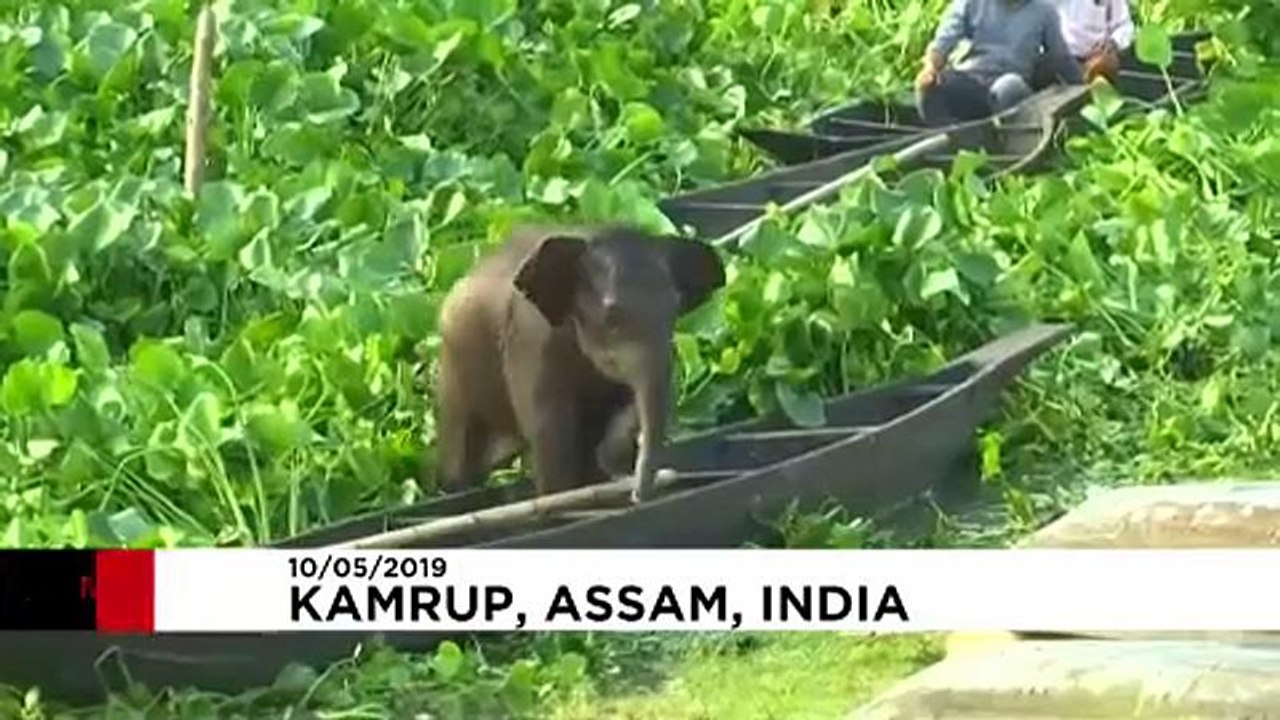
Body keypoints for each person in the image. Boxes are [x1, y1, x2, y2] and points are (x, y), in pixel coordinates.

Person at [916, 0, 1085, 145]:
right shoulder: (971, 2)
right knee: (930, 90)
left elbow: (1061, 58)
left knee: (1008, 86)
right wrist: (930, 69)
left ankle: (1002, 140)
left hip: (1011, 91)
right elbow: (942, 44)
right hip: (971, 83)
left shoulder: (1044, 10)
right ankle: (958, 139)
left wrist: (1086, 89)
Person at [1050, 0, 1135, 83]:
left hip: (1096, 59)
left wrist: (1112, 42)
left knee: (1106, 64)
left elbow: (1124, 25)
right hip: (1058, 61)